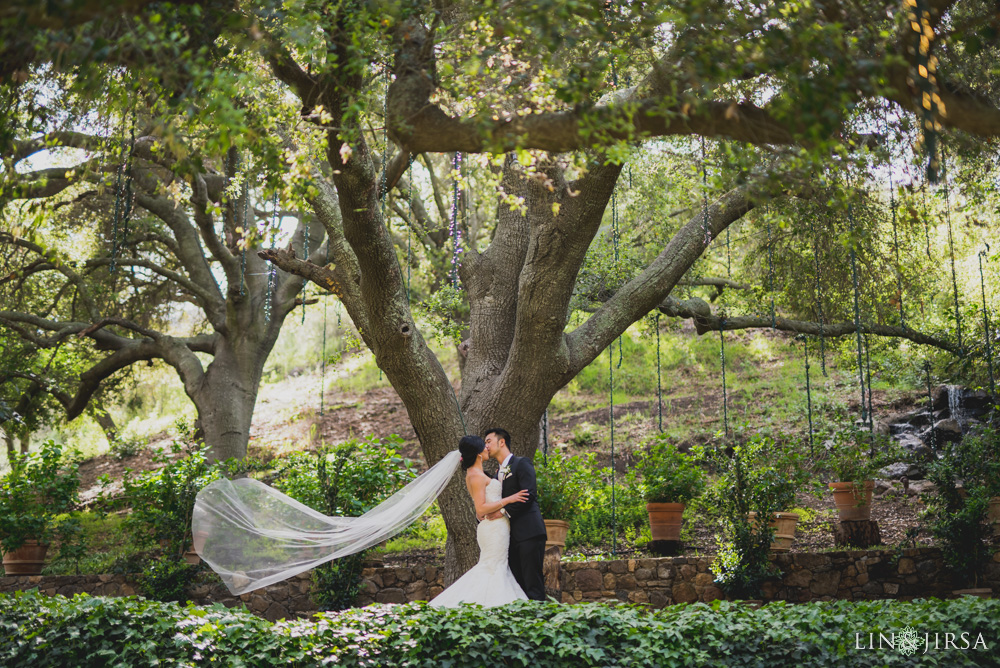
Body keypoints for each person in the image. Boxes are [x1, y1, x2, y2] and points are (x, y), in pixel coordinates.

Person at [429, 435, 530, 607]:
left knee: (497, 567)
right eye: (484, 446)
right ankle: (488, 607)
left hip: (497, 526)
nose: (487, 448)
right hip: (493, 530)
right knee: (492, 568)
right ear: (477, 453)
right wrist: (509, 499)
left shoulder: (478, 473)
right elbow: (481, 509)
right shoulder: (475, 475)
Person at [485, 427, 547, 601]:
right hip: (508, 537)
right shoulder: (496, 474)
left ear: (501, 442)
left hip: (529, 532)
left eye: (488, 441)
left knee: (532, 582)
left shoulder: (522, 463)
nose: (486, 446)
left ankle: (541, 622)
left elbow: (528, 495)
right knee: (516, 584)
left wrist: (503, 512)